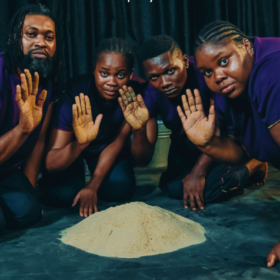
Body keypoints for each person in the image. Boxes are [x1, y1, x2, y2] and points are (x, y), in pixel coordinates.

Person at [118, 35, 266, 211]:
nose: (164, 82)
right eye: (154, 76)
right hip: (185, 146)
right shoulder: (150, 93)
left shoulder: (206, 73)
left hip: (222, 140)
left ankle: (254, 163)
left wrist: (198, 173)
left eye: (170, 71)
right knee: (172, 188)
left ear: (185, 61)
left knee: (211, 189)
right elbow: (143, 159)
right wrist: (139, 129)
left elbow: (220, 126)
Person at [175, 21, 280, 268]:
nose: (217, 77)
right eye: (207, 72)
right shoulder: (227, 92)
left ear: (246, 46)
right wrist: (207, 143)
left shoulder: (272, 71)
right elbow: (241, 151)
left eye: (223, 61)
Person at [40, 38, 144, 218]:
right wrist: (80, 144)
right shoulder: (74, 95)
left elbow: (117, 143)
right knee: (61, 195)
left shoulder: (132, 97)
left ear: (130, 74)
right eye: (104, 73)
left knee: (120, 189)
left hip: (105, 148)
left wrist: (93, 185)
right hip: (73, 147)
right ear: (94, 70)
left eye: (120, 75)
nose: (112, 82)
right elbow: (50, 163)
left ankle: (96, 182)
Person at [0, 4, 61, 230]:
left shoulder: (46, 79)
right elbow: (28, 131)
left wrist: (28, 189)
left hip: (6, 171)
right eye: (31, 34)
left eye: (49, 37)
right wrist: (22, 129)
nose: (41, 43)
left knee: (28, 214)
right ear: (15, 38)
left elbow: (40, 140)